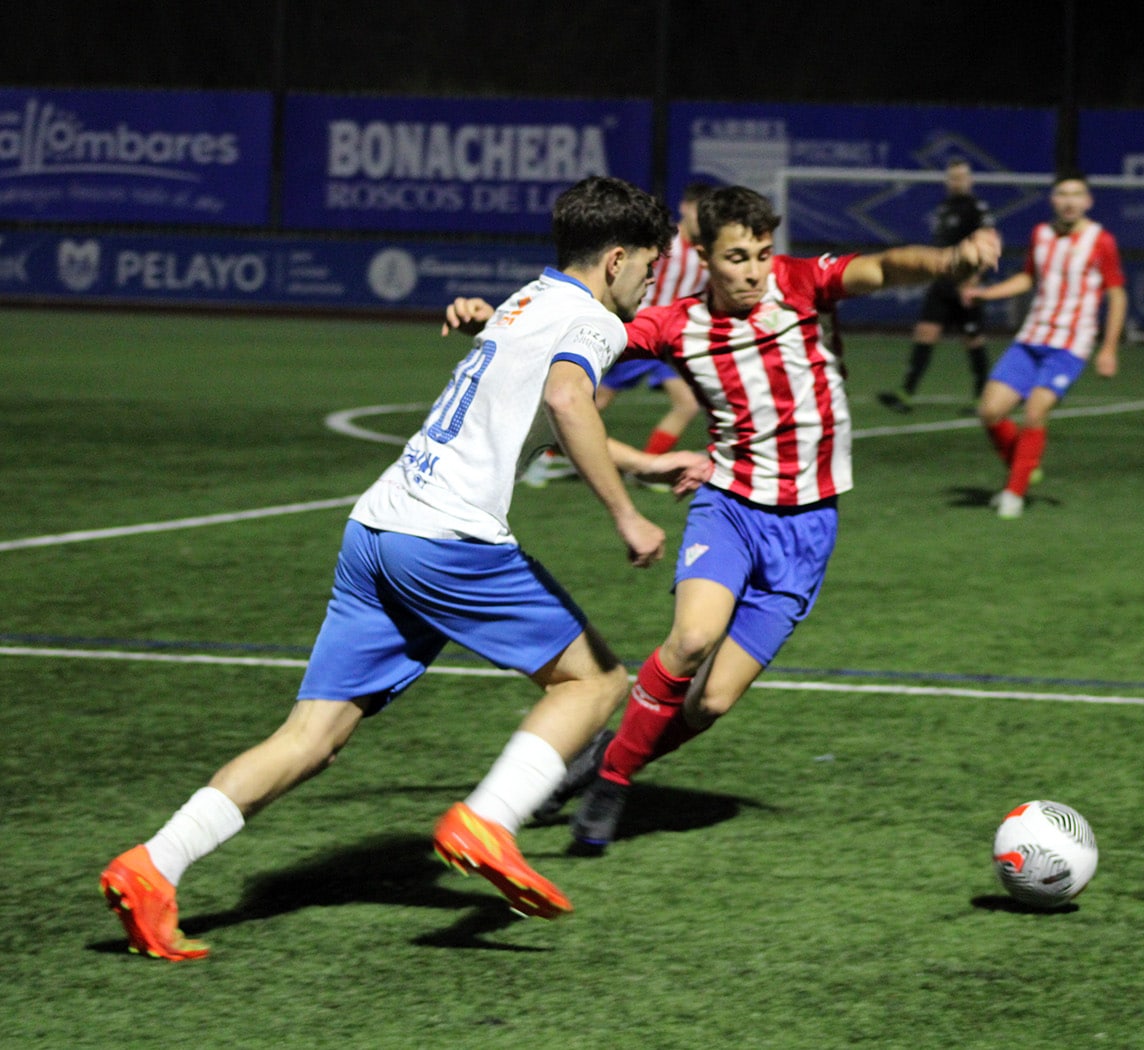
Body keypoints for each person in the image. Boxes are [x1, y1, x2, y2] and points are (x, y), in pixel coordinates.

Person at [98, 176, 712, 961]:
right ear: (617, 258)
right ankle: (489, 820)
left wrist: (642, 469)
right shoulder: (591, 321)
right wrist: (624, 513)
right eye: (650, 268)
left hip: (379, 527)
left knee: (311, 738)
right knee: (592, 683)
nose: (651, 281)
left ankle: (153, 865)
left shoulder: (530, 300)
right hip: (446, 540)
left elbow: (534, 412)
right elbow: (566, 401)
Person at [445, 185, 1001, 852]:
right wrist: (492, 321)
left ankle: (600, 756)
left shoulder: (803, 284)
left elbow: (884, 267)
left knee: (709, 702)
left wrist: (949, 263)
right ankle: (613, 782)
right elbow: (572, 338)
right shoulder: (675, 324)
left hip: (808, 527)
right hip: (729, 507)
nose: (754, 270)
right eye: (737, 257)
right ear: (704, 255)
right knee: (690, 640)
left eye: (763, 254)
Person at [522, 183, 713, 489]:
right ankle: (540, 455)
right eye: (697, 210)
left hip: (661, 339)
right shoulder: (667, 244)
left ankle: (648, 468)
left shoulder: (704, 253)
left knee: (686, 402)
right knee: (588, 402)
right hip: (635, 330)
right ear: (686, 208)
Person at [963, 173, 1127, 519]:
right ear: (1053, 200)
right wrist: (985, 293)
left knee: (1035, 412)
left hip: (1071, 344)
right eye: (1062, 194)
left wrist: (1109, 347)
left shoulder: (1101, 241)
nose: (1069, 201)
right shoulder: (1041, 234)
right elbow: (1028, 278)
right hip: (1032, 337)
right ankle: (1025, 467)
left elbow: (1116, 294)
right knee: (990, 410)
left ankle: (1013, 494)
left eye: (1076, 194)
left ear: (1088, 201)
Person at [878, 158, 996, 413]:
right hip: (943, 283)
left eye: (962, 177)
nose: (958, 182)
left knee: (973, 338)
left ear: (970, 180)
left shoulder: (976, 208)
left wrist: (973, 281)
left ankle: (982, 397)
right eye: (953, 177)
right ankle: (906, 393)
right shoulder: (944, 208)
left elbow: (989, 243)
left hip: (967, 284)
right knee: (925, 332)